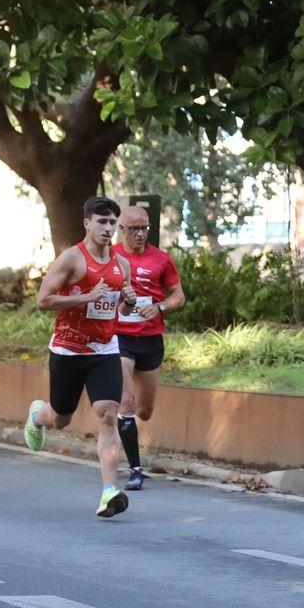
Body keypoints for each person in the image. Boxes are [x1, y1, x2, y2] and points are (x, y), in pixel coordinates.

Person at [22, 196, 140, 519]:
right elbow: (43, 300)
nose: (107, 228)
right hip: (68, 350)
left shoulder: (122, 265)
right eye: (101, 222)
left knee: (107, 414)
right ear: (86, 223)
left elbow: (119, 308)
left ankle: (108, 492)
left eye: (112, 223)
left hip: (104, 349)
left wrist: (128, 301)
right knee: (61, 417)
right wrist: (86, 296)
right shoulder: (72, 259)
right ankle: (37, 416)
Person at [113, 206, 185, 491]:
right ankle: (135, 470)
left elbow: (178, 296)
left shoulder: (161, 259)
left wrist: (159, 307)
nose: (140, 234)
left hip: (151, 339)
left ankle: (124, 429)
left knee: (144, 411)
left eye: (144, 228)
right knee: (126, 402)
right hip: (120, 337)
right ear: (122, 229)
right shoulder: (113, 257)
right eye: (134, 229)